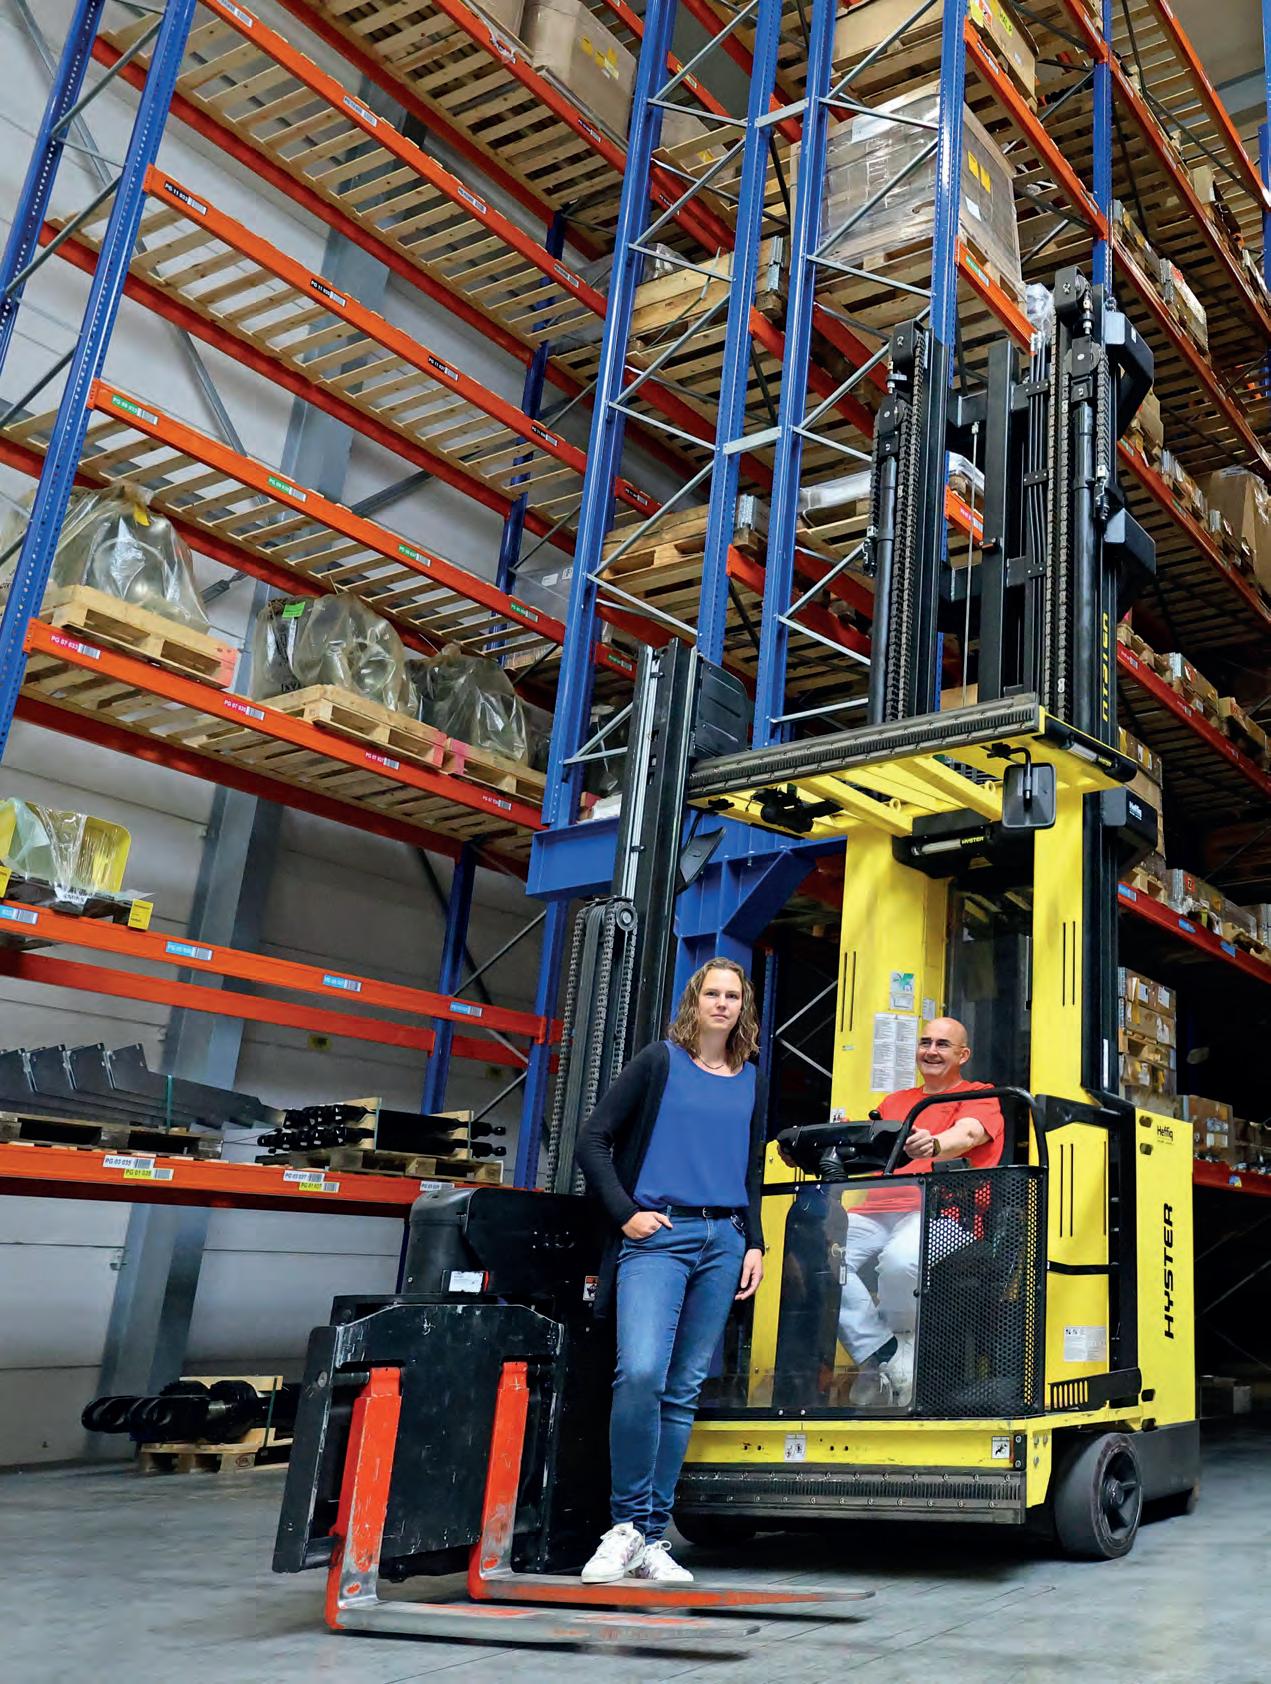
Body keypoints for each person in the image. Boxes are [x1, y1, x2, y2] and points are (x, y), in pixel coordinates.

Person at [574, 958, 767, 1586]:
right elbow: (593, 1140)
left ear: (743, 1007)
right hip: (660, 1235)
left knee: (683, 1389)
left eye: (732, 995)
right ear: (695, 1000)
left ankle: (653, 1539)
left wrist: (754, 1242)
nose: (722, 1003)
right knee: (641, 1374)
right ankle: (625, 1527)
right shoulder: (660, 1062)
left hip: (724, 1239)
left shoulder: (751, 1078)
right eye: (712, 993)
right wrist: (626, 1213)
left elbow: (750, 1168)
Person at [837, 1016, 1003, 1408]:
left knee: (899, 1260)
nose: (931, 1051)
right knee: (818, 1258)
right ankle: (887, 1352)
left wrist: (935, 1144)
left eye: (942, 1045)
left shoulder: (981, 1094)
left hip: (943, 1210)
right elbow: (868, 1149)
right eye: (925, 1042)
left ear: (963, 1055)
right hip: (878, 1208)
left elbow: (968, 1133)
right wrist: (844, 1139)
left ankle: (902, 1345)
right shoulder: (894, 1102)